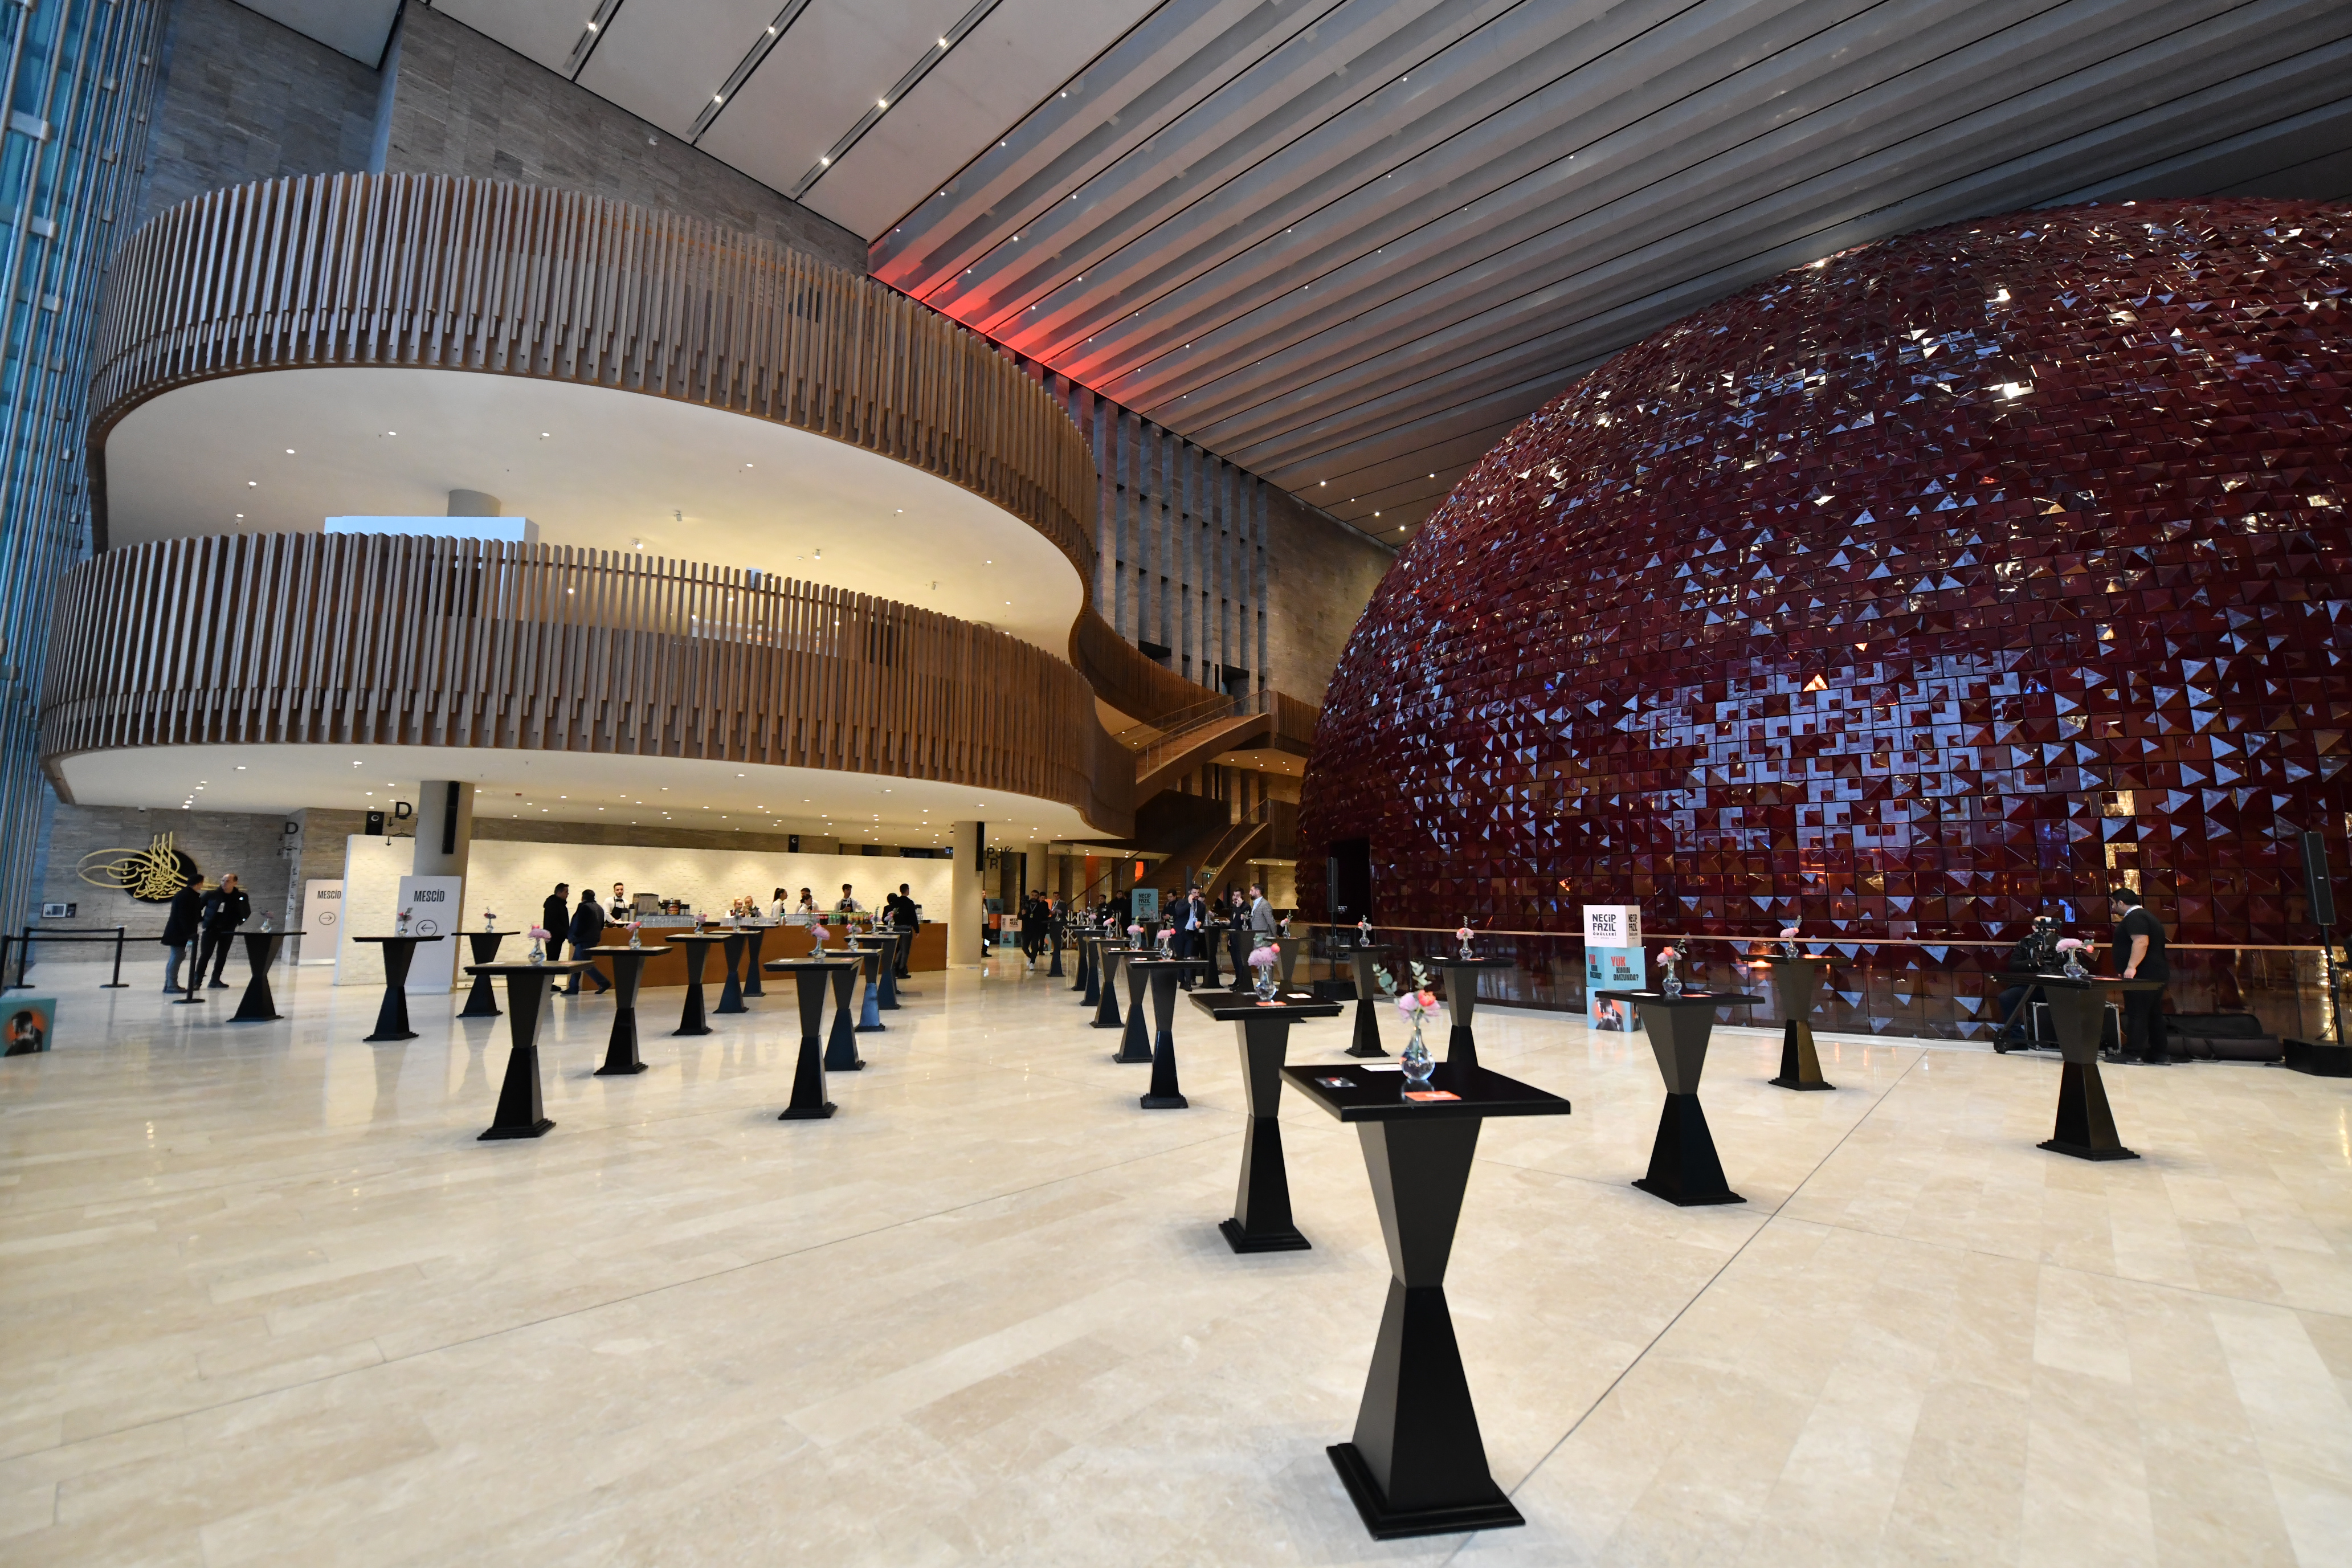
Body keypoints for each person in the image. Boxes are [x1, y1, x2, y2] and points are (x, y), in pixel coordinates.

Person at [2112, 885, 2170, 1064]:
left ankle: (2134, 1053)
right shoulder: (2148, 916)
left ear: (2121, 903)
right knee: (2154, 1014)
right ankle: (2159, 1053)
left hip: (2143, 975)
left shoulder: (2135, 917)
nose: (2113, 907)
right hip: (2157, 973)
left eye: (2114, 903)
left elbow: (2141, 942)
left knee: (2137, 1013)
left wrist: (2131, 967)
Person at [197, 872, 250, 988]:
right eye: (223, 881)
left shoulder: (241, 897)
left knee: (222, 955)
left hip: (228, 930)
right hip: (211, 929)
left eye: (228, 881)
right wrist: (202, 921)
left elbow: (246, 911)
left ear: (235, 883)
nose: (224, 883)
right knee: (206, 954)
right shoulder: (212, 895)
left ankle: (215, 980)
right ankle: (197, 981)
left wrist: (238, 922)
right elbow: (197, 908)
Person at [161, 873, 205, 993]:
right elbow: (185, 917)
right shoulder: (187, 896)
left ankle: (170, 984)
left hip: (182, 933)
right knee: (177, 957)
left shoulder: (187, 895)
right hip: (181, 934)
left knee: (178, 957)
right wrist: (190, 935)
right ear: (199, 883)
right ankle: (171, 985)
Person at [566, 889, 611, 994]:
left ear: (583, 897)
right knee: (576, 963)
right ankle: (573, 987)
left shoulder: (585, 907)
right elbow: (601, 925)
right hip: (594, 938)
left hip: (584, 940)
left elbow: (581, 925)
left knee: (584, 963)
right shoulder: (599, 908)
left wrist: (574, 936)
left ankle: (603, 982)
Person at [542, 884, 571, 962]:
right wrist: (564, 933)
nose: (568, 894)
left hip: (557, 937)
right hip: (554, 937)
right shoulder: (553, 905)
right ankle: (549, 971)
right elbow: (553, 923)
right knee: (552, 959)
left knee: (554, 959)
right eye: (566, 892)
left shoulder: (559, 904)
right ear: (559, 893)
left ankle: (551, 971)